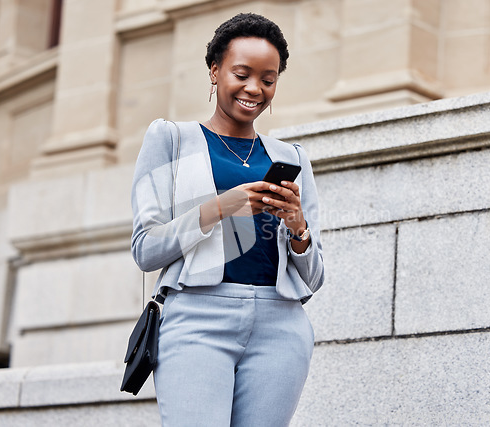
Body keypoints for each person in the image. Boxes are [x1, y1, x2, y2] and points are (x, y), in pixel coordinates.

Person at [130, 12, 324, 426]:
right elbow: (146, 250)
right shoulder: (170, 139)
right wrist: (222, 206)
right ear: (215, 71)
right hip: (197, 315)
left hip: (280, 323)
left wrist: (298, 228)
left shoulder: (292, 158)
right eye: (242, 74)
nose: (255, 88)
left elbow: (314, 277)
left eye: (268, 79)